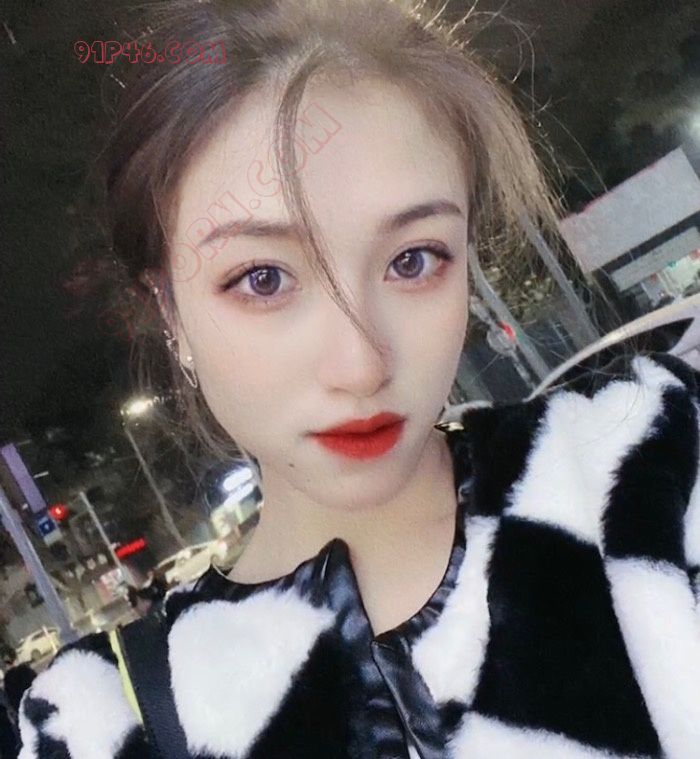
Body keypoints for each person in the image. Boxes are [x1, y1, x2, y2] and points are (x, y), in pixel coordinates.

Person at [17, 0, 700, 757]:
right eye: (263, 278)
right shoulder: (101, 725)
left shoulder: (654, 470)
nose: (363, 365)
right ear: (168, 309)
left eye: (413, 259)